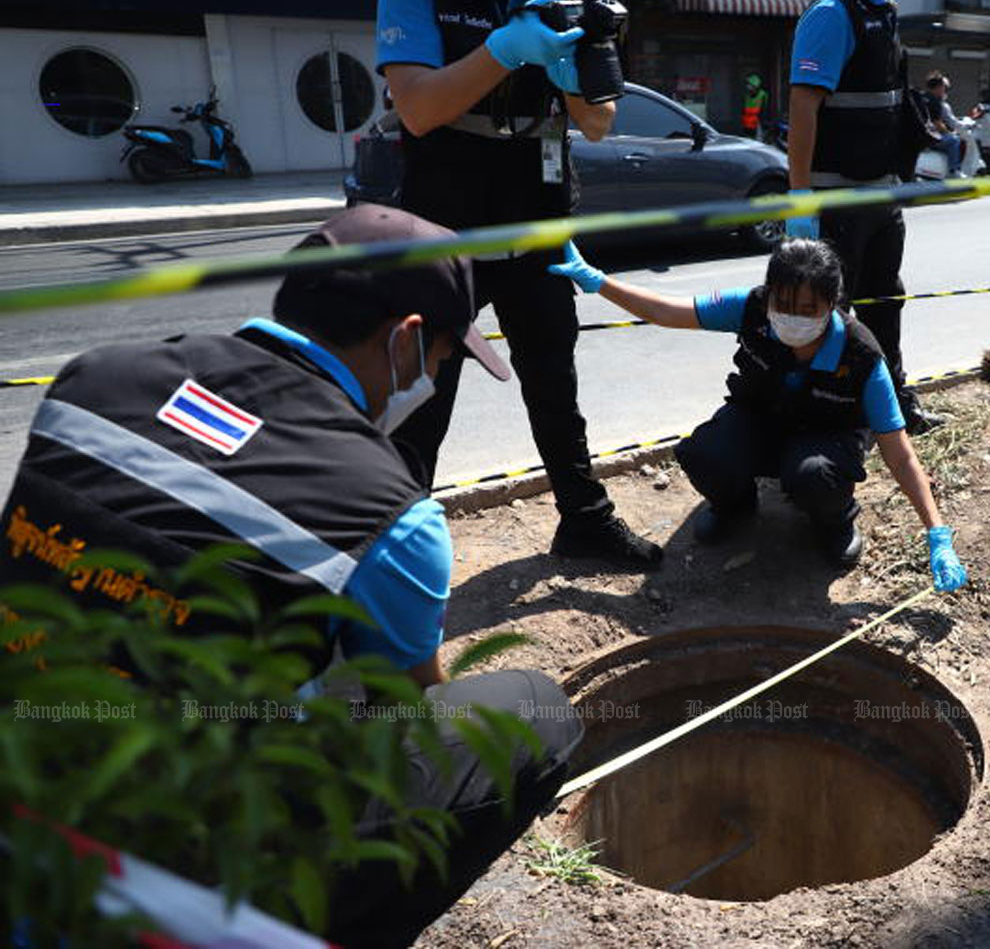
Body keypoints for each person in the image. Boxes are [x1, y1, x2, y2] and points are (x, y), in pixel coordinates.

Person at [0, 205, 583, 948]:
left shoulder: (94, 379)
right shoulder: (388, 512)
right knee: (532, 711)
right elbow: (409, 711)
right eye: (441, 358)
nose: (435, 376)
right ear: (405, 338)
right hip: (162, 847)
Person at [375, 0, 663, 568]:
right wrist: (503, 50)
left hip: (537, 216)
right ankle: (395, 543)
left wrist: (571, 80)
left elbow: (598, 124)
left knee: (554, 376)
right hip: (445, 226)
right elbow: (419, 110)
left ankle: (584, 519)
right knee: (424, 391)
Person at [546, 237, 969, 589]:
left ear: (832, 304)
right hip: (761, 418)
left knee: (812, 476)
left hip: (826, 438)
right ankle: (735, 506)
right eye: (783, 304)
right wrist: (598, 282)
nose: (792, 318)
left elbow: (900, 454)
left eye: (808, 310)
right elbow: (664, 310)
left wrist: (936, 534)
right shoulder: (750, 307)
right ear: (769, 296)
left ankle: (834, 521)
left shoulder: (862, 356)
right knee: (702, 452)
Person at [784, 0, 947, 435]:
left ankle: (894, 405)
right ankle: (821, 424)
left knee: (885, 303)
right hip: (838, 200)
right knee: (831, 315)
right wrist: (799, 198)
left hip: (880, 196)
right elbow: (803, 106)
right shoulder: (833, 14)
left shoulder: (881, 9)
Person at [922, 71, 962, 176]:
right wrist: (949, 133)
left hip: (918, 135)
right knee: (954, 141)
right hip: (929, 138)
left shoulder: (921, 97)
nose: (944, 90)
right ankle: (953, 171)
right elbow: (937, 123)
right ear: (939, 87)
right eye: (943, 87)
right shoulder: (935, 101)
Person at [742, 72, 770, 140]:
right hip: (747, 128)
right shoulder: (747, 96)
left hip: (758, 128)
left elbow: (765, 112)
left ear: (755, 85)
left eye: (749, 84)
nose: (748, 87)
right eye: (747, 84)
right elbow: (744, 112)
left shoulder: (763, 95)